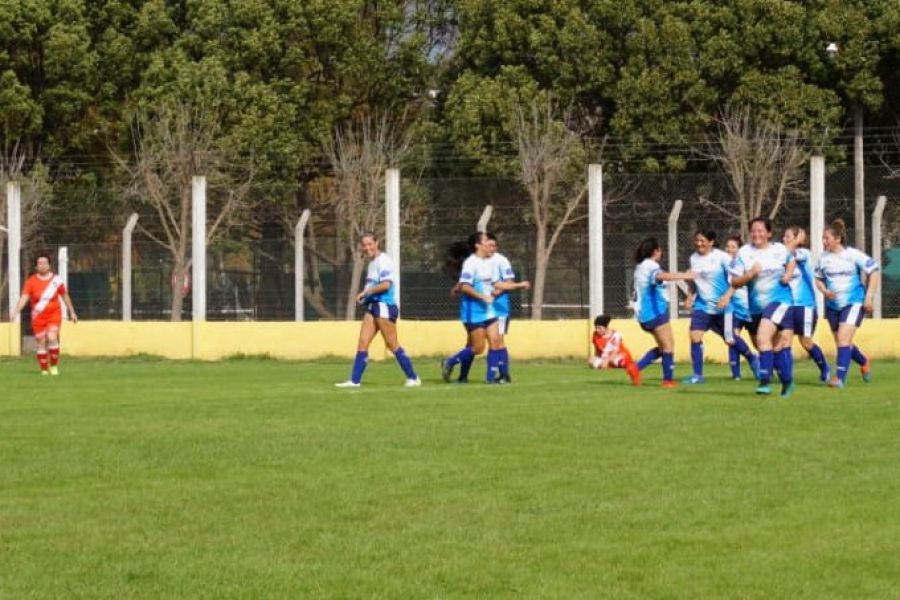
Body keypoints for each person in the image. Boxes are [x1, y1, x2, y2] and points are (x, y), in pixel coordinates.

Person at [335, 232, 420, 388]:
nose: (367, 248)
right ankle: (354, 380)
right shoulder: (372, 263)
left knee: (392, 344)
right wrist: (365, 298)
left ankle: (413, 377)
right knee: (363, 342)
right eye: (364, 245)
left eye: (370, 244)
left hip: (384, 306)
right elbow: (373, 286)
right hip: (373, 306)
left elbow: (386, 284)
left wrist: (366, 292)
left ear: (377, 243)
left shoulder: (384, 260)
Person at [729, 217, 796, 397]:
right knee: (773, 348)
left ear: (769, 233)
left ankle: (765, 381)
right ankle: (787, 381)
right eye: (753, 231)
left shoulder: (779, 250)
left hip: (781, 301)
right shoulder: (743, 253)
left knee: (763, 337)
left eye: (760, 231)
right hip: (756, 308)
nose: (756, 234)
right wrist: (750, 274)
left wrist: (788, 274)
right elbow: (734, 280)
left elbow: (791, 260)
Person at [815, 218, 880, 389]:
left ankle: (839, 378)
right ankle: (863, 360)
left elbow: (874, 271)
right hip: (833, 306)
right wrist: (824, 291)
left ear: (837, 239)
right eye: (823, 238)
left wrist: (869, 297)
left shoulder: (852, 255)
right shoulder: (823, 258)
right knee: (842, 342)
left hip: (853, 303)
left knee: (843, 339)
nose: (823, 241)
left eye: (826, 238)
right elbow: (818, 279)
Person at [441, 231, 504, 383]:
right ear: (478, 245)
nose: (488, 242)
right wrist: (482, 296)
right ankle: (450, 361)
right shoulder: (471, 263)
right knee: (477, 348)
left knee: (496, 342)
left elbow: (492, 283)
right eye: (485, 240)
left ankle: (489, 378)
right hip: (473, 312)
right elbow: (465, 287)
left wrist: (503, 288)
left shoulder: (489, 262)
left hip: (489, 310)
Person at [632, 237, 695, 388]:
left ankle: (635, 368)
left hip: (643, 315)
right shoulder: (651, 266)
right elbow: (660, 276)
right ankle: (667, 380)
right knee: (668, 346)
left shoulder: (640, 266)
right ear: (656, 251)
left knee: (662, 347)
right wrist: (684, 275)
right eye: (660, 249)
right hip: (654, 312)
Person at [10, 253, 78, 375]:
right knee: (41, 342)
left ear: (49, 265)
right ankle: (44, 370)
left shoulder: (56, 280)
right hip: (38, 316)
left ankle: (54, 367)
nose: (42, 266)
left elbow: (65, 296)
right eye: (40, 263)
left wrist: (72, 312)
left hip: (54, 314)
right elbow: (24, 297)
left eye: (45, 263)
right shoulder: (31, 282)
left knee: (52, 337)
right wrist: (16, 311)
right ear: (36, 266)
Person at [682, 230, 735, 384]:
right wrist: (690, 295)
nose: (699, 244)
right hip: (702, 306)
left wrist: (727, 296)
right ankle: (698, 375)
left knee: (731, 340)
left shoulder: (722, 257)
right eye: (697, 240)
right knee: (694, 336)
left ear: (711, 242)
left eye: (703, 240)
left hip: (722, 307)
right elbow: (694, 281)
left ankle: (753, 360)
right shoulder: (693, 258)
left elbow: (736, 278)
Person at [782, 226, 830, 382]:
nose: (784, 239)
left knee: (805, 342)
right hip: (787, 305)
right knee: (783, 339)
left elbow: (793, 253)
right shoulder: (781, 259)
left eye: (788, 236)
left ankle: (824, 367)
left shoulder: (804, 254)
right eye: (784, 236)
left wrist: (794, 244)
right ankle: (785, 375)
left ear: (797, 240)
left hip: (805, 306)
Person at [485, 234, 530, 383]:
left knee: (498, 341)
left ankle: (500, 374)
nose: (492, 248)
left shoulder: (501, 260)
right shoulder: (477, 261)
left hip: (499, 308)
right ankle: (498, 374)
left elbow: (509, 281)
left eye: (494, 245)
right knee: (488, 342)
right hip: (482, 308)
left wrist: (494, 293)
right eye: (489, 245)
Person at [716, 235, 759, 380]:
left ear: (739, 249)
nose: (729, 249)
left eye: (733, 247)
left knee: (758, 341)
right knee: (731, 337)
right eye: (727, 246)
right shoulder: (724, 264)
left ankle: (767, 365)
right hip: (733, 307)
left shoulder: (745, 263)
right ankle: (736, 374)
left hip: (750, 308)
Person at [589, 315, 640, 385]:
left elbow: (615, 351)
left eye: (599, 328)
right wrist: (597, 358)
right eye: (596, 328)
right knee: (591, 361)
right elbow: (597, 349)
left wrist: (606, 361)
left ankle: (626, 365)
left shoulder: (616, 335)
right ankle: (609, 366)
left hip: (619, 355)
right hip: (606, 357)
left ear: (606, 327)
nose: (597, 330)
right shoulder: (595, 335)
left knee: (616, 360)